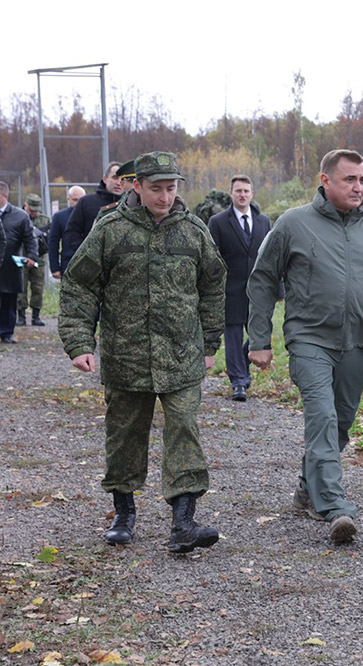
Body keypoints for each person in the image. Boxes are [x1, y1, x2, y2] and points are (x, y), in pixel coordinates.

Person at [59, 151, 226, 552]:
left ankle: (183, 521)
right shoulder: (111, 229)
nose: (165, 197)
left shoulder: (193, 231)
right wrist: (80, 343)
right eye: (156, 189)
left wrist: (209, 343)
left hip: (181, 355)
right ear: (137, 186)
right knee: (125, 435)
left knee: (184, 429)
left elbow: (213, 286)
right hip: (126, 356)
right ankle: (124, 511)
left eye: (171, 188)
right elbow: (80, 285)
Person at [247, 149, 363, 545]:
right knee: (322, 416)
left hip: (357, 342)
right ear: (325, 181)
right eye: (349, 180)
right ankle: (335, 506)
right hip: (309, 339)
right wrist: (259, 340)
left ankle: (308, 489)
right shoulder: (293, 223)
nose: (358, 187)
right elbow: (263, 279)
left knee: (339, 423)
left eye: (362, 180)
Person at [208, 175, 273, 401]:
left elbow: (272, 258)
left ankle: (242, 366)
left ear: (252, 193)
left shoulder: (264, 222)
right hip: (230, 290)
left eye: (246, 191)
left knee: (258, 336)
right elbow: (211, 258)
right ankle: (239, 382)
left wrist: (279, 289)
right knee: (233, 338)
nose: (242, 195)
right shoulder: (217, 222)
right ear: (231, 194)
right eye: (238, 191)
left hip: (258, 292)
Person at [0, 183, 39, 344]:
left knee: (9, 299)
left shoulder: (20, 216)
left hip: (10, 264)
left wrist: (32, 256)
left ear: (5, 196)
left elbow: (30, 238)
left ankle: (6, 332)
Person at [64, 161, 124, 259]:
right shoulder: (86, 202)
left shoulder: (131, 204)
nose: (118, 183)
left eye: (122, 179)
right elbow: (72, 231)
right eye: (115, 178)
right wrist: (85, 253)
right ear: (105, 179)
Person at [17, 195, 51, 326]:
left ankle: (36, 316)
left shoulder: (44, 220)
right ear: (25, 206)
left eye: (36, 210)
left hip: (39, 259)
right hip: (22, 258)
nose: (34, 213)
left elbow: (49, 239)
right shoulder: (18, 217)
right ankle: (21, 315)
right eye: (31, 210)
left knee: (38, 287)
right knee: (21, 287)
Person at [49, 185, 86, 279]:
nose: (78, 203)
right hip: (68, 263)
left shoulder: (92, 215)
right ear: (68, 199)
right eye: (75, 200)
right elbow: (53, 243)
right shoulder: (59, 217)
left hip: (89, 262)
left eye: (81, 200)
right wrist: (54, 268)